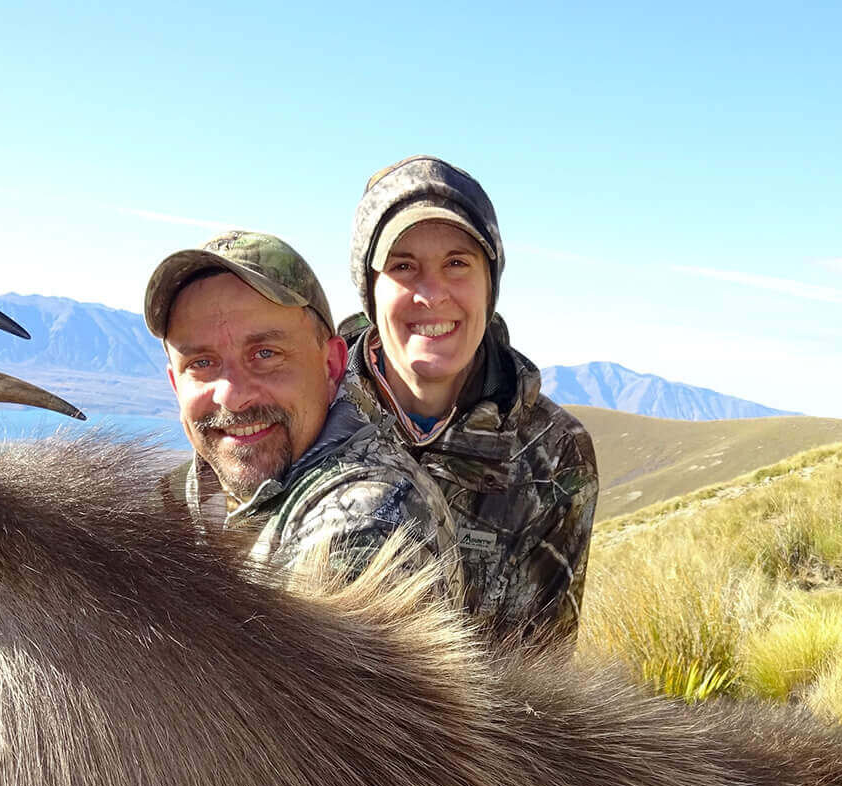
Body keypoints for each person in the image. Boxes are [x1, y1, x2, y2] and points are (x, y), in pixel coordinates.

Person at [341, 156, 598, 649]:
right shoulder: (313, 412)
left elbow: (542, 673)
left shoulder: (555, 454)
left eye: (457, 263)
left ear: (490, 284)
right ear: (370, 291)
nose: (432, 294)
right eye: (403, 266)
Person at [143, 230, 457, 584]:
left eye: (265, 354)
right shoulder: (181, 497)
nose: (231, 395)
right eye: (201, 363)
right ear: (175, 384)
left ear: (331, 367)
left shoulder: (371, 517)